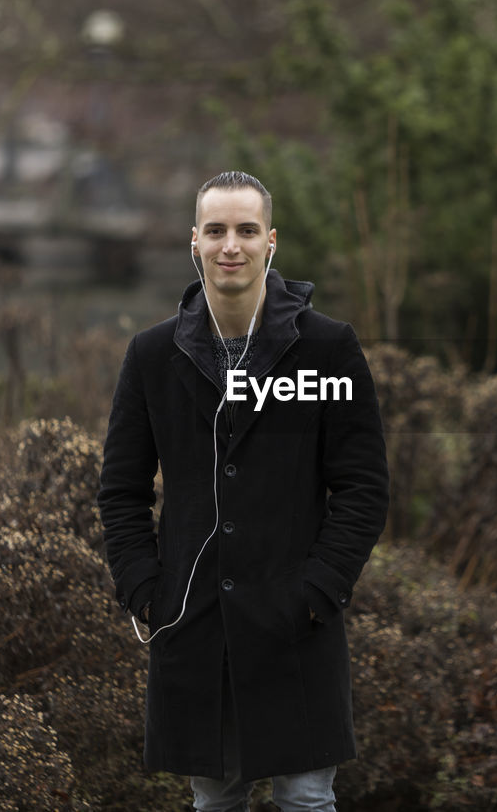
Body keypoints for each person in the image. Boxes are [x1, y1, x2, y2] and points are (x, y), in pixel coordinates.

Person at [97, 171, 389, 811]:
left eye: (247, 230)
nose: (232, 245)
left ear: (271, 242)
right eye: (217, 230)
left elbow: (364, 488)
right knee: (216, 803)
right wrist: (147, 590)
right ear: (194, 242)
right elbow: (120, 490)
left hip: (298, 627)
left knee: (308, 801)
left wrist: (318, 590)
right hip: (195, 626)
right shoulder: (151, 356)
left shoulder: (327, 350)